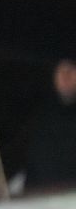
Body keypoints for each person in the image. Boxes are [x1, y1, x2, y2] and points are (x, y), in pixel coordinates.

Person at [22, 58, 76, 192]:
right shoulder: (41, 116)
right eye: (61, 71)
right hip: (46, 197)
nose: (66, 76)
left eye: (71, 71)